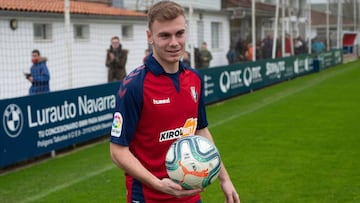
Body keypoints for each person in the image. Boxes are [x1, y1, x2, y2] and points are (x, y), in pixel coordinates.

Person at [109, 1, 240, 203]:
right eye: (164, 35)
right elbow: (117, 151)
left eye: (179, 33)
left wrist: (225, 178)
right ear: (149, 37)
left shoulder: (194, 79)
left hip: (191, 194)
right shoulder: (134, 86)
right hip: (148, 197)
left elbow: (200, 131)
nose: (174, 42)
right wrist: (158, 184)